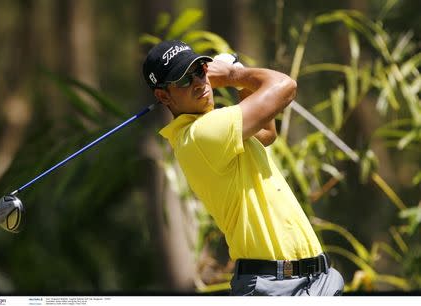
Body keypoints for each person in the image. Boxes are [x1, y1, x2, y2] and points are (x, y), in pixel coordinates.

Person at [142, 40, 344, 296]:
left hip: (318, 280)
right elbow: (285, 86)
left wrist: (237, 77)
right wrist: (233, 74)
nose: (198, 82)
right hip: (272, 287)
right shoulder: (199, 135)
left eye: (200, 71)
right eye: (183, 80)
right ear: (163, 96)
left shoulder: (216, 129)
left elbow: (267, 133)